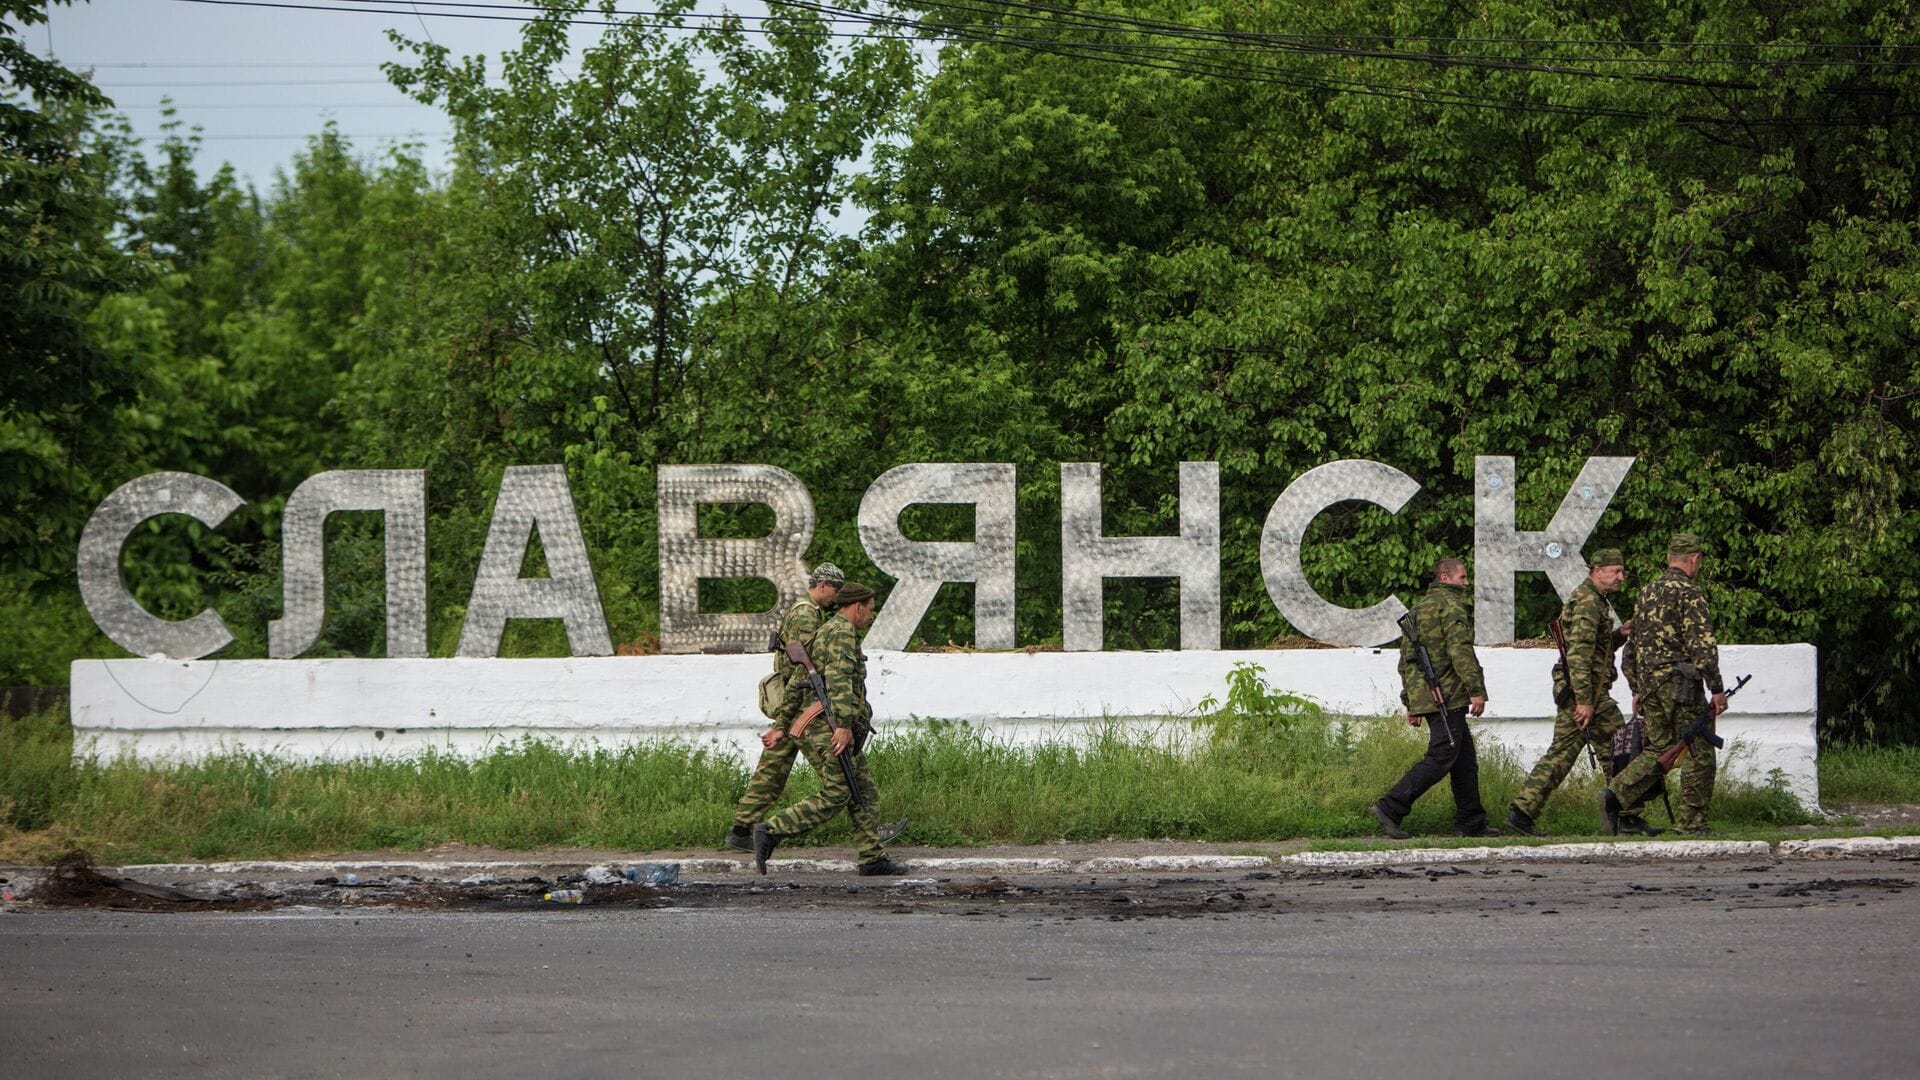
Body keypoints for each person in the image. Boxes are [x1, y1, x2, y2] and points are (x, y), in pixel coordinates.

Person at [753, 581, 906, 876]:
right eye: (870, 610)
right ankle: (771, 830)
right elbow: (839, 683)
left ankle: (872, 858)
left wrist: (781, 726)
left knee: (864, 790)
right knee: (837, 793)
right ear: (858, 606)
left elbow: (797, 682)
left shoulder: (824, 632)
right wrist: (845, 727)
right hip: (830, 728)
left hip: (823, 724)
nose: (871, 616)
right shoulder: (841, 634)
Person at [1506, 548, 1645, 836]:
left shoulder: (1593, 599)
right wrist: (1583, 700)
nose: (1621, 577)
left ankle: (1524, 812)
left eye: (1622, 571)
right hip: (1586, 693)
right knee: (1618, 746)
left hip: (1586, 691)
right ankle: (1626, 817)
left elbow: (1593, 647)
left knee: (1598, 750)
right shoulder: (1588, 602)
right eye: (1615, 571)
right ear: (1597, 571)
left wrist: (1619, 635)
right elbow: (1579, 655)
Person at [1601, 533, 1726, 836]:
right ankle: (1691, 823)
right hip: (1682, 687)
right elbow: (1702, 646)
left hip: (1651, 687)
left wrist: (1637, 688)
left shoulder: (1648, 592)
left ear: (1671, 558)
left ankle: (1617, 792)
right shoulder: (1689, 592)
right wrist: (1717, 687)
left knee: (1658, 747)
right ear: (1694, 559)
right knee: (1700, 750)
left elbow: (1632, 646)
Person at [1373, 558, 1499, 839]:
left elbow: (1406, 660)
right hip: (1448, 695)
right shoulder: (1451, 606)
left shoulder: (1417, 610)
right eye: (1463, 578)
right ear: (1445, 578)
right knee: (1443, 754)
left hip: (1428, 694)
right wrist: (1476, 690)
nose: (1466, 583)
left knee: (1464, 759)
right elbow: (1460, 651)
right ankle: (1391, 806)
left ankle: (1471, 821)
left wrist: (1411, 702)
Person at [722, 562, 842, 852]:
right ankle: (869, 827)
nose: (835, 598)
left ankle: (741, 829)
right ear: (823, 585)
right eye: (835, 591)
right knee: (839, 769)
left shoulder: (804, 610)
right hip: (801, 703)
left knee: (773, 769)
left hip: (794, 704)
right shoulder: (806, 614)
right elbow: (805, 663)